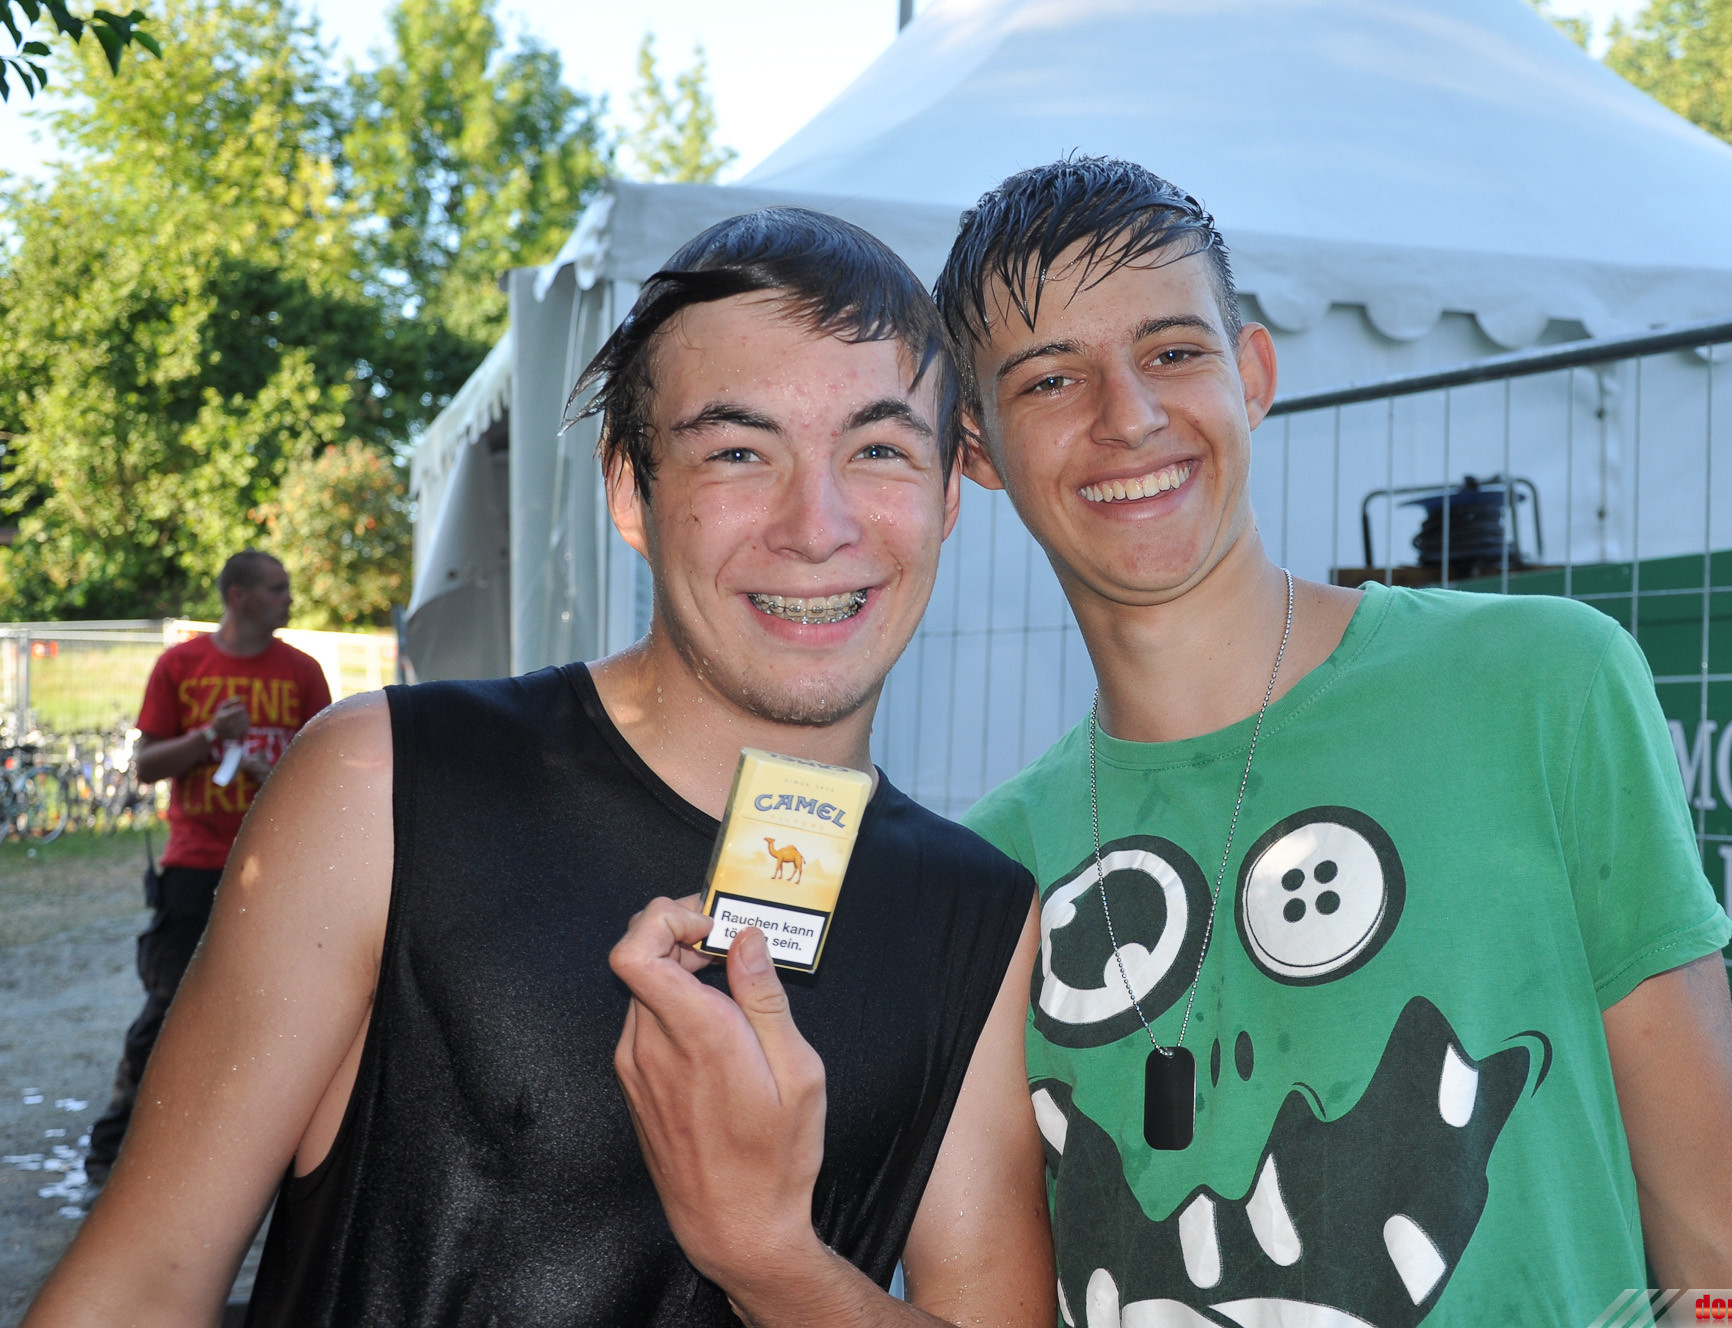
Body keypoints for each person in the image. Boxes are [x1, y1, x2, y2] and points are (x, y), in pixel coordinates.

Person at [27, 209, 1052, 1328]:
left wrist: (772, 1259)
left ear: (948, 495)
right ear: (628, 489)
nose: (818, 525)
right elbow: (141, 1283)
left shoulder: (974, 913)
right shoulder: (388, 785)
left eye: (878, 450)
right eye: (737, 451)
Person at [921, 158, 1732, 1325]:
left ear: (1252, 374)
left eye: (1171, 351)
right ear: (973, 446)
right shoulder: (984, 873)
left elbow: (1720, 1212)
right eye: (1052, 378)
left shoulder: (1540, 687)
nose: (1129, 416)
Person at [83, 550, 330, 1191]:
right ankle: (112, 1154)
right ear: (239, 596)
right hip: (194, 864)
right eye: (276, 588)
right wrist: (208, 739)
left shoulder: (302, 672)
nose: (288, 598)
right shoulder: (182, 665)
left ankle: (269, 1158)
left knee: (281, 1008)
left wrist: (275, 771)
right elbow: (145, 766)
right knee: (168, 1006)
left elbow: (326, 771)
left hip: (278, 864)